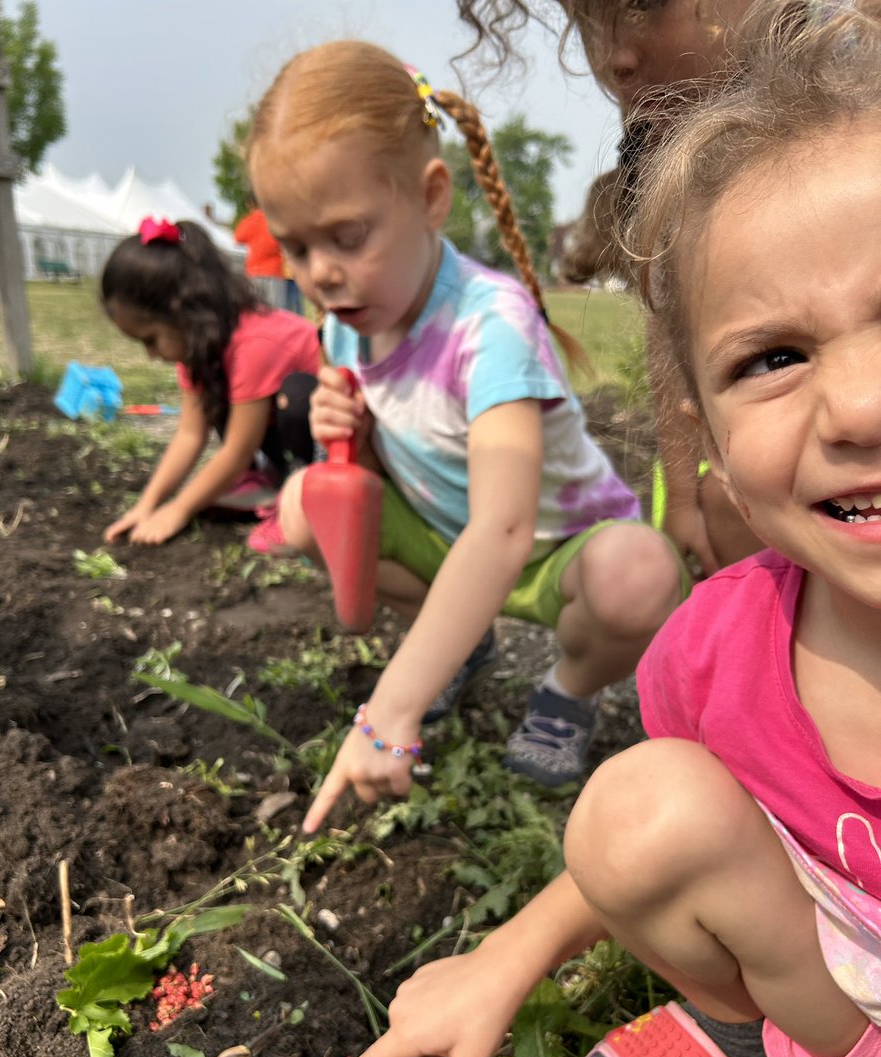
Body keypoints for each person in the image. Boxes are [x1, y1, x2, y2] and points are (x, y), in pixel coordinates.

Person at [329, 0, 881, 1057]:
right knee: (638, 810)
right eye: (772, 359)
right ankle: (794, 1050)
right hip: (847, 963)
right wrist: (506, 959)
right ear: (705, 432)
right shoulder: (719, 652)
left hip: (544, 556)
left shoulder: (485, 326)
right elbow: (669, 845)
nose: (861, 406)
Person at [246, 41, 684, 806]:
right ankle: (461, 641)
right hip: (453, 544)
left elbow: (507, 530)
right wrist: (352, 438)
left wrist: (390, 709)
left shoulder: (492, 328)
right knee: (303, 504)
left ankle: (567, 691)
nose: (320, 272)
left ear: (431, 196)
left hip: (555, 554)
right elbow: (368, 492)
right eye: (296, 246)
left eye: (347, 237)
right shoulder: (345, 323)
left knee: (640, 575)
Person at [458, 0, 764, 577]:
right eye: (587, 24)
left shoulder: (855, 106)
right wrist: (679, 496)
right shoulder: (663, 149)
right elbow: (668, 319)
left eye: (646, 5)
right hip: (715, 464)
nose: (612, 56)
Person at [101, 217, 320, 553]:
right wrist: (148, 504)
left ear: (185, 313)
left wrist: (179, 509)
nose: (150, 355)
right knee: (216, 393)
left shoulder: (254, 343)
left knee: (297, 396)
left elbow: (237, 449)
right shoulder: (197, 347)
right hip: (281, 432)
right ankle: (268, 480)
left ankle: (304, 502)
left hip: (331, 435)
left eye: (151, 340)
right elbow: (190, 435)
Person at [234, 204, 286, 309]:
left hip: (253, 272)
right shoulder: (275, 220)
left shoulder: (249, 221)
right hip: (273, 271)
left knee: (255, 310)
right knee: (275, 312)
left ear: (250, 205)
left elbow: (237, 238)